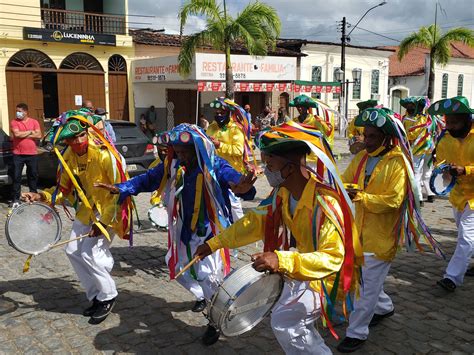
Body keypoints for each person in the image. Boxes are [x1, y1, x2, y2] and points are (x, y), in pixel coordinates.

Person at [195, 121, 363, 353]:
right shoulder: (283, 194)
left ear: (290, 168)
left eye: (270, 163)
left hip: (330, 279)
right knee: (288, 320)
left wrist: (281, 260)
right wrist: (214, 244)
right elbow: (254, 222)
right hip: (304, 269)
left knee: (285, 320)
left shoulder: (325, 203)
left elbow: (334, 258)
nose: (266, 170)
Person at [95, 123, 257, 345]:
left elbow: (235, 181)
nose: (181, 157)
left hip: (209, 228)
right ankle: (203, 296)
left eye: (184, 152)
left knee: (209, 276)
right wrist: (123, 187)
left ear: (196, 150)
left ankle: (215, 321)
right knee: (176, 266)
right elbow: (147, 179)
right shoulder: (172, 165)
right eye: (177, 152)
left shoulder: (214, 165)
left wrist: (242, 186)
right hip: (184, 227)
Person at [337, 107, 443, 353]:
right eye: (365, 135)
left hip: (382, 236)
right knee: (369, 282)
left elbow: (394, 200)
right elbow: (345, 179)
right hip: (359, 232)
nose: (367, 140)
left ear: (386, 137)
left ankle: (357, 332)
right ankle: (384, 307)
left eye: (373, 136)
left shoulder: (398, 163)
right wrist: (341, 188)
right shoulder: (362, 157)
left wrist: (361, 197)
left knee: (364, 288)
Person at [21, 110, 133, 325]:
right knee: (72, 250)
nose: (78, 140)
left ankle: (109, 296)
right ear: (66, 140)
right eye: (72, 138)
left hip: (109, 209)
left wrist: (102, 223)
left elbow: (121, 191)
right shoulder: (69, 157)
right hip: (87, 209)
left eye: (81, 135)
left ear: (88, 132)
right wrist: (40, 195)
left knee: (91, 253)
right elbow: (63, 190)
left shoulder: (106, 154)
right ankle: (97, 296)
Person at [428, 96, 473, 292]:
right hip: (457, 195)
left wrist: (467, 170)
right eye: (448, 122)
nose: (451, 126)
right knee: (467, 235)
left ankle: (451, 278)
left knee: (466, 237)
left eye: (455, 122)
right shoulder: (445, 139)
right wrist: (444, 169)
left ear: (466, 120)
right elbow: (440, 161)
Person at [400, 96, 436, 204]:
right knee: (421, 172)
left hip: (420, 149)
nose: (408, 107)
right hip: (424, 148)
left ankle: (421, 197)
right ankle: (425, 195)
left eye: (411, 105)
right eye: (407, 106)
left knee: (420, 173)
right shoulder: (409, 118)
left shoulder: (423, 118)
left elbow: (411, 134)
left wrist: (406, 135)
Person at [10, 103, 42, 208]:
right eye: (17, 111)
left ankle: (33, 195)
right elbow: (17, 134)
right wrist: (30, 132)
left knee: (32, 175)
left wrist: (24, 134)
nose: (17, 113)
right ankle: (15, 199)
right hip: (18, 154)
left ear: (25, 112)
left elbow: (39, 135)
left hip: (32, 154)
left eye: (19, 111)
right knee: (16, 176)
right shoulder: (14, 122)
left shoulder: (34, 122)